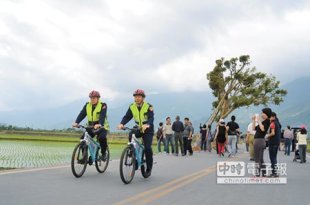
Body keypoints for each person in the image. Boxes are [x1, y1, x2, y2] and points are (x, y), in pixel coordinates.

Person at [117, 89, 154, 177]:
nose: (137, 98)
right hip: (138, 128)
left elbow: (151, 118)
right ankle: (134, 155)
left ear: (143, 98)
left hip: (148, 130)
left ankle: (148, 168)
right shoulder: (132, 106)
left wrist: (147, 124)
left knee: (147, 148)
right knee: (131, 135)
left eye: (139, 97)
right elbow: (127, 116)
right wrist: (122, 124)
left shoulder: (148, 106)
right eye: (136, 97)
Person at [72, 90, 109, 161]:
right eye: (91, 98)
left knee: (102, 138)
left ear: (98, 98)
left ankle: (104, 153)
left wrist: (100, 124)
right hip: (91, 126)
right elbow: (82, 114)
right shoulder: (87, 105)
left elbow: (102, 115)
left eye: (94, 98)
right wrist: (77, 122)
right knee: (83, 139)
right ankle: (84, 157)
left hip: (102, 126)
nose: (92, 99)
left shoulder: (103, 105)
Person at [253, 108, 272, 177]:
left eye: (263, 113)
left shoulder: (267, 121)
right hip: (258, 140)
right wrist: (253, 120)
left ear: (266, 114)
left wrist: (258, 120)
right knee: (260, 158)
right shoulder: (263, 122)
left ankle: (257, 174)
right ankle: (264, 173)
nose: (261, 114)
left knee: (257, 158)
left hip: (259, 140)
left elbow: (263, 129)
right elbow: (254, 128)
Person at [265, 112, 281, 177]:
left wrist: (267, 136)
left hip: (272, 143)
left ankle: (274, 173)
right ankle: (275, 172)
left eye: (270, 117)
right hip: (277, 143)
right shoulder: (278, 123)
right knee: (274, 158)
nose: (269, 118)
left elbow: (273, 133)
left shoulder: (272, 123)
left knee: (272, 158)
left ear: (273, 117)